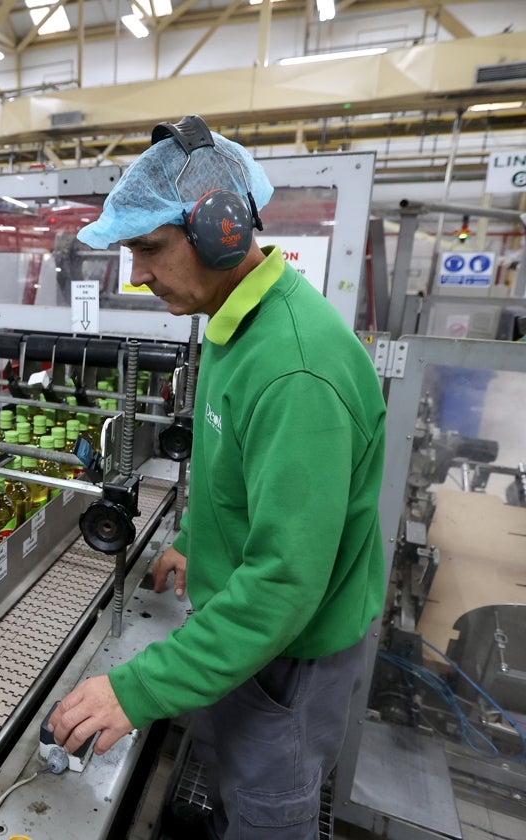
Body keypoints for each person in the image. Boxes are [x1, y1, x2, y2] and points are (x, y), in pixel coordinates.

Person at [48, 115, 387, 839]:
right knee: (232, 788)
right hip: (250, 642)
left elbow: (284, 585)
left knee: (269, 815)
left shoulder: (296, 368)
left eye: (148, 248)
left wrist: (135, 690)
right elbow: (230, 466)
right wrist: (198, 539)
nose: (136, 275)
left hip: (291, 664)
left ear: (222, 231)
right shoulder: (236, 326)